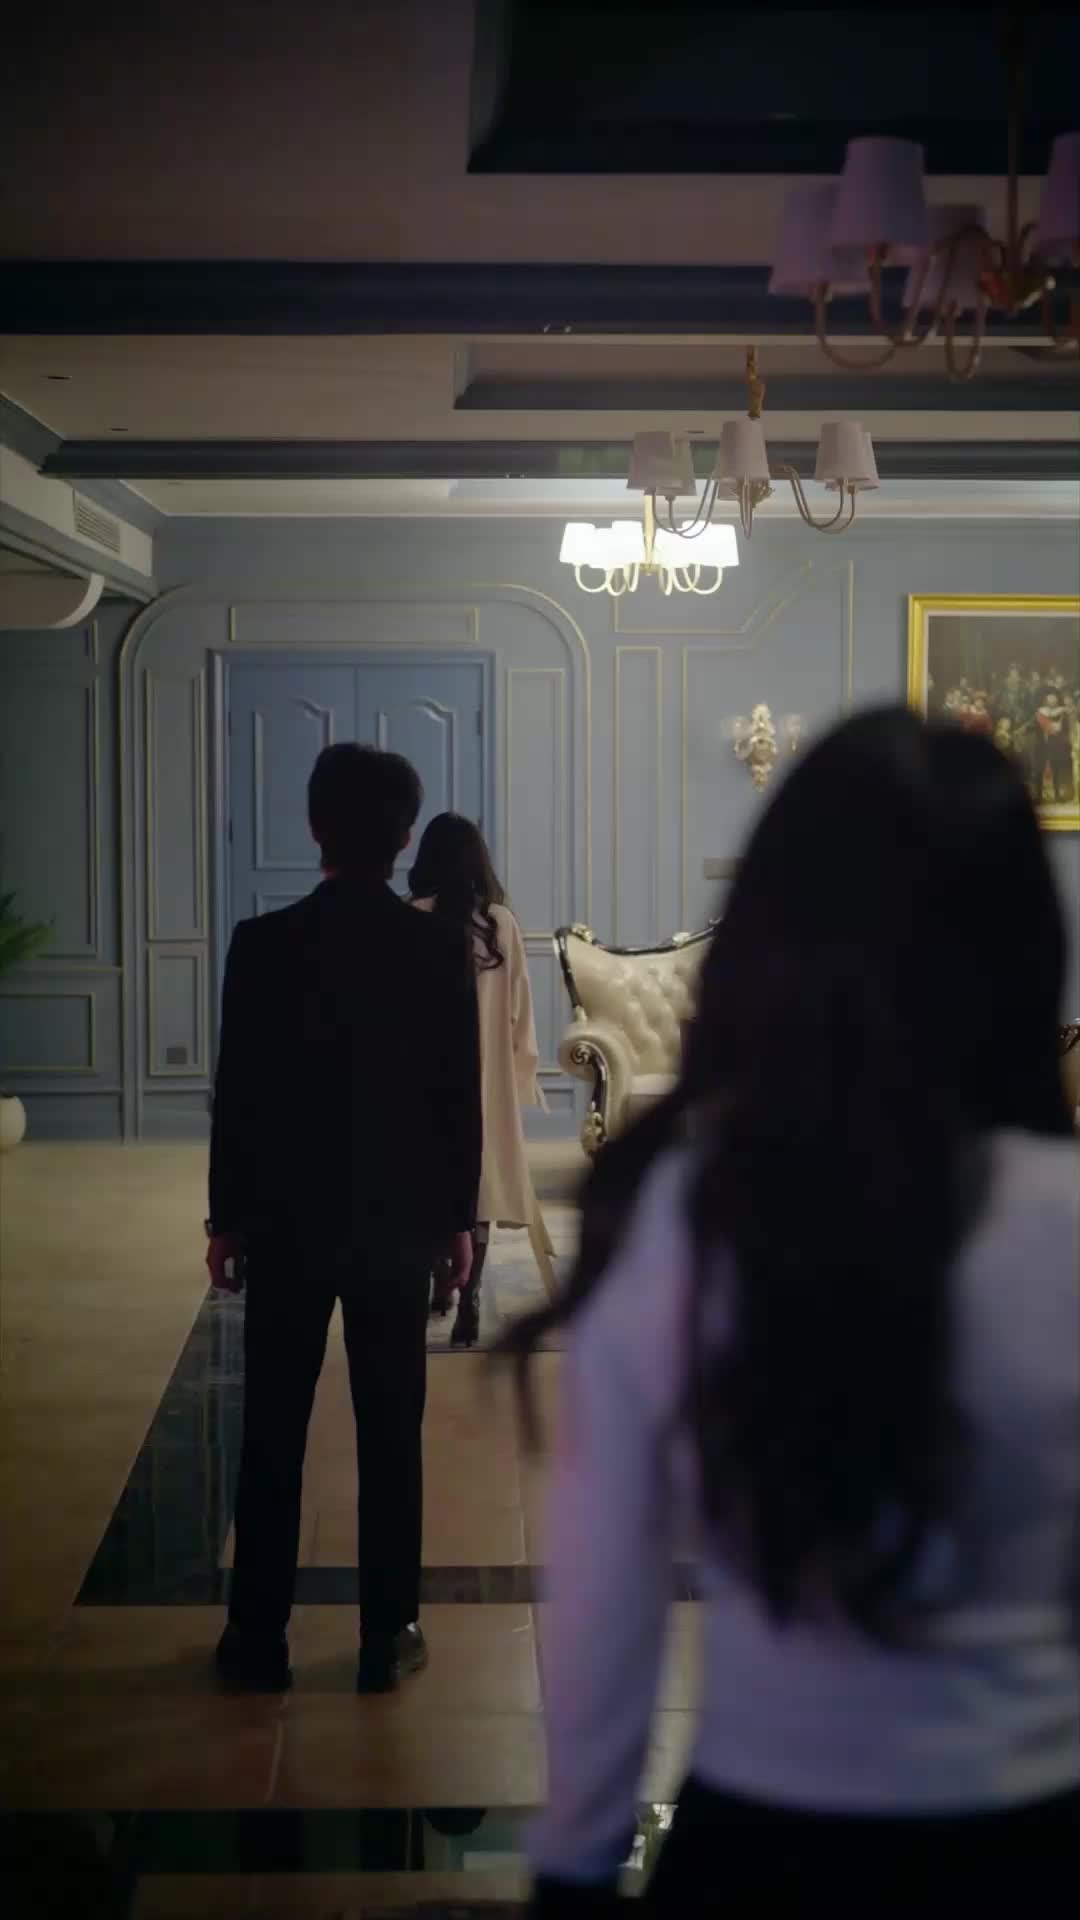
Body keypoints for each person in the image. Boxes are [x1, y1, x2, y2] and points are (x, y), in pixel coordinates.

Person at [507, 708, 1079, 1909]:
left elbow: (606, 1600)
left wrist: (574, 1864)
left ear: (771, 941)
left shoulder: (680, 1216)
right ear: (1025, 951)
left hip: (759, 1839)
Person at [207, 744, 481, 1694]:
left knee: (272, 1432)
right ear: (404, 839)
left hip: (286, 1223)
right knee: (390, 1435)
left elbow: (238, 1098)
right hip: (397, 1224)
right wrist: (459, 1220)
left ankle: (256, 1637)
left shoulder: (262, 943)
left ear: (314, 827)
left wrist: (225, 1218)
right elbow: (455, 1098)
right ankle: (385, 1636)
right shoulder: (437, 947)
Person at [409, 812, 546, 1347]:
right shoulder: (500, 923)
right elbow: (519, 1007)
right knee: (479, 1185)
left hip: (425, 1076)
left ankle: (438, 1286)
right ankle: (469, 1301)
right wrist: (519, 1072)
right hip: (487, 1078)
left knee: (430, 1183)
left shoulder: (411, 915)